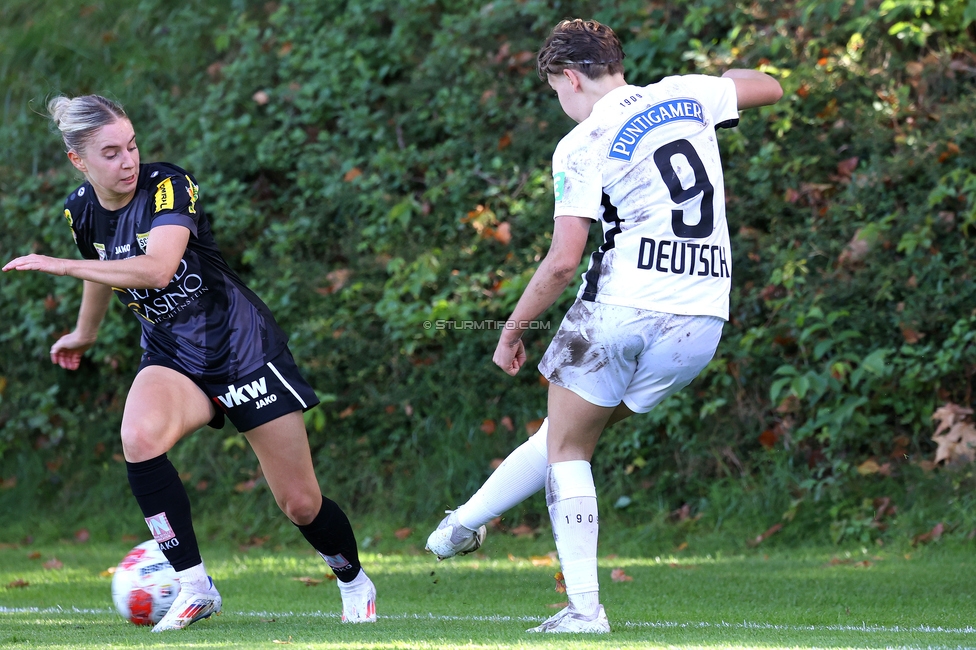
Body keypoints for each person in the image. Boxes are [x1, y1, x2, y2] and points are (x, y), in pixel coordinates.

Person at [426, 19, 782, 633]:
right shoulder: (685, 95)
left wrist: (512, 327)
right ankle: (460, 525)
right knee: (566, 434)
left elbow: (565, 260)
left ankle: (585, 610)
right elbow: (769, 86)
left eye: (556, 92)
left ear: (570, 78)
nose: (561, 105)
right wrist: (714, 84)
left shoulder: (584, 142)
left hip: (620, 310)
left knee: (568, 448)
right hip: (700, 319)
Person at [2, 95, 377, 631]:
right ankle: (195, 585)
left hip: (242, 349)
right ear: (77, 159)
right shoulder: (80, 208)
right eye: (110, 152)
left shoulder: (168, 186)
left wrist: (56, 265)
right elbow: (101, 270)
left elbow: (155, 270)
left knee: (299, 502)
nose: (128, 160)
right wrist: (83, 334)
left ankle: (353, 580)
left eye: (131, 145)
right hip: (173, 356)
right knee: (139, 438)